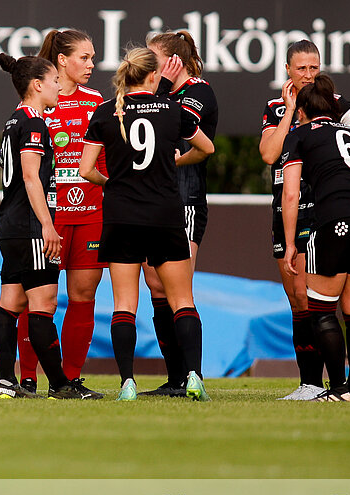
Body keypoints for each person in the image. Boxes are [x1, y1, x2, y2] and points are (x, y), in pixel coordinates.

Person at [83, 46, 214, 401]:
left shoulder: (107, 112)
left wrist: (112, 183)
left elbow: (85, 169)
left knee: (124, 303)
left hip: (122, 216)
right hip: (165, 216)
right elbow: (207, 149)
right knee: (182, 299)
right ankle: (194, 376)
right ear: (154, 76)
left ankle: (128, 382)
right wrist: (178, 162)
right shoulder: (175, 110)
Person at [0, 53, 93, 400]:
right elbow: (32, 177)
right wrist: (48, 226)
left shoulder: (13, 120)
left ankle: (7, 382)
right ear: (37, 85)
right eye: (53, 81)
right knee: (43, 305)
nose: (58, 86)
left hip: (10, 224)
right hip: (31, 227)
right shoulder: (33, 123)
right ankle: (62, 386)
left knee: (10, 302)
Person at [259, 39, 350, 401]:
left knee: (314, 298)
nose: (309, 75)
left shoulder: (336, 105)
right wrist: (288, 112)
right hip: (286, 211)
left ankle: (339, 385)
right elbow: (269, 153)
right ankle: (310, 383)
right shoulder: (273, 108)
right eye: (302, 68)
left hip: (321, 210)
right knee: (297, 300)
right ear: (288, 70)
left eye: (314, 67)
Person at [279, 76, 350, 401]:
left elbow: (291, 194)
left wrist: (290, 243)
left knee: (322, 310)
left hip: (334, 222)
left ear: (303, 110)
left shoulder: (298, 136)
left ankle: (337, 388)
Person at [14, 28, 103, 395]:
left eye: (93, 58)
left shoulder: (96, 100)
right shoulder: (37, 103)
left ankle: (69, 379)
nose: (91, 65)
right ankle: (28, 376)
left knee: (83, 296)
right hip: (48, 216)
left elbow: (106, 152)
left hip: (91, 210)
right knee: (34, 299)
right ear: (62, 61)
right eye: (85, 57)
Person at [138, 30, 216, 397]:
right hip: (155, 200)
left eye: (154, 57)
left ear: (173, 62)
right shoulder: (162, 94)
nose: (148, 65)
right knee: (156, 287)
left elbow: (178, 131)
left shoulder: (197, 92)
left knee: (177, 287)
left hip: (184, 199)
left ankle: (192, 375)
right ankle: (175, 378)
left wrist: (163, 88)